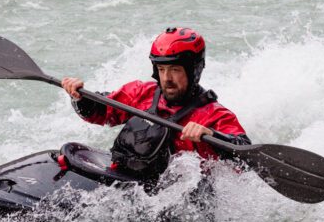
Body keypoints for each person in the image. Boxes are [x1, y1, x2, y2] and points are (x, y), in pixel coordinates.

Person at [62, 26, 250, 174]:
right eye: (161, 70)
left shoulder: (215, 115)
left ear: (194, 71)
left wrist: (211, 135)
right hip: (133, 180)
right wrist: (79, 97)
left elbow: (245, 154)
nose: (167, 79)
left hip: (185, 199)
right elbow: (100, 112)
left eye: (175, 70)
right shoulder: (141, 93)